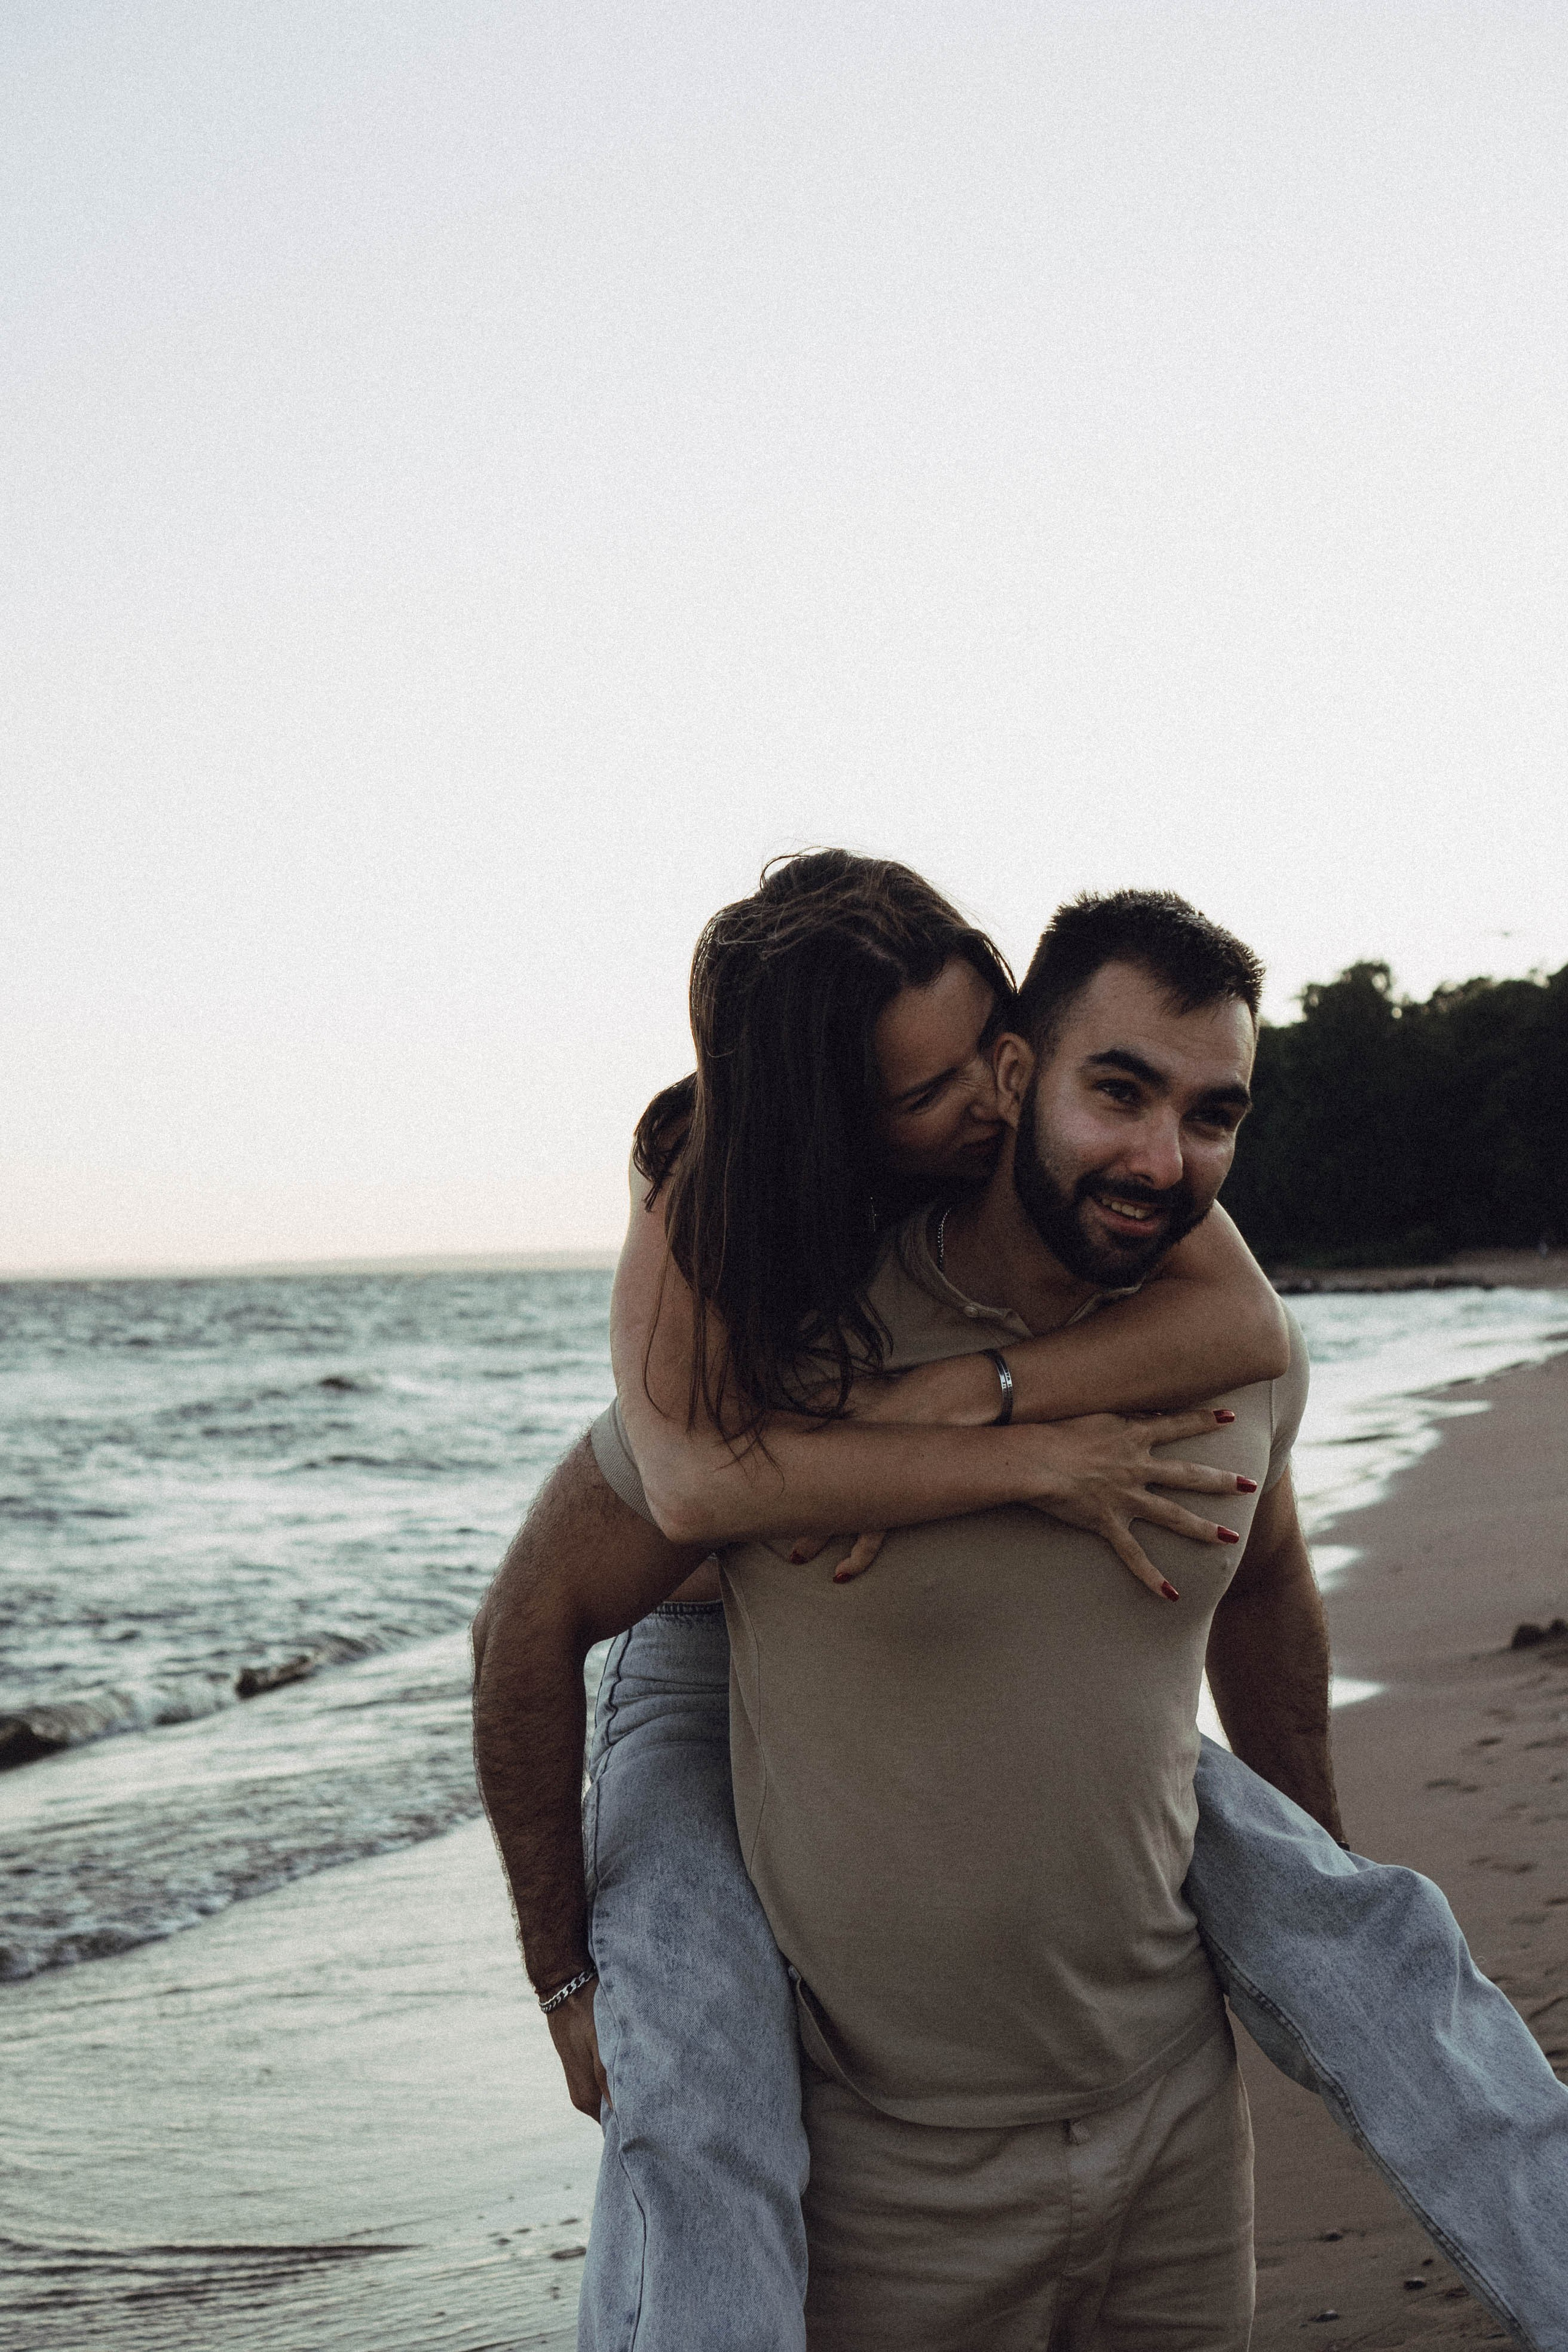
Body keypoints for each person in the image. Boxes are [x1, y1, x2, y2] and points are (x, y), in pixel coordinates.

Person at [476, 862, 1568, 2352]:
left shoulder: (1210, 1324)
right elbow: (603, 1557)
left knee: (1367, 1931)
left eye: (1211, 1113)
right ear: (1009, 1072)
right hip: (879, 2169)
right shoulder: (778, 1321)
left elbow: (1262, 1583)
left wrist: (984, 1401)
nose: (1158, 1153)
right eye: (1109, 1090)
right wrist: (562, 1978)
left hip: (1168, 2143)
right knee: (689, 2074)